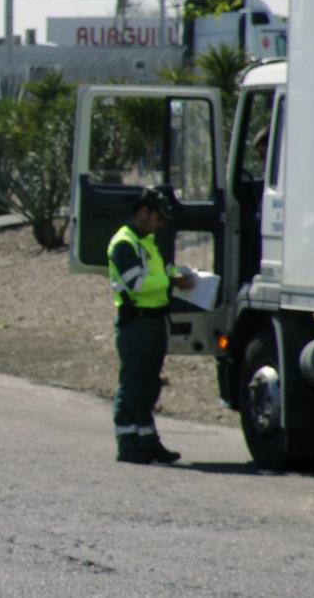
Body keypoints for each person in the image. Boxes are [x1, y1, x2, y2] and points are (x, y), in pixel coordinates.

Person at [107, 185, 195, 464]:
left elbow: (158, 270)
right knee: (133, 383)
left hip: (155, 321)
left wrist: (177, 273)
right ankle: (127, 443)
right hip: (136, 323)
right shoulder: (124, 243)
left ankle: (148, 441)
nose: (160, 225)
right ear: (144, 212)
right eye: (158, 219)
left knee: (149, 385)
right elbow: (137, 283)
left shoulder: (145, 241)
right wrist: (171, 281)